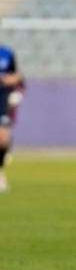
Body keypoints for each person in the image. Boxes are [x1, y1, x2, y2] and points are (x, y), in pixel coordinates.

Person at [0, 45, 25, 193]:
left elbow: (17, 76)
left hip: (2, 97)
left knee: (2, 138)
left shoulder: (7, 53)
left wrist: (11, 79)